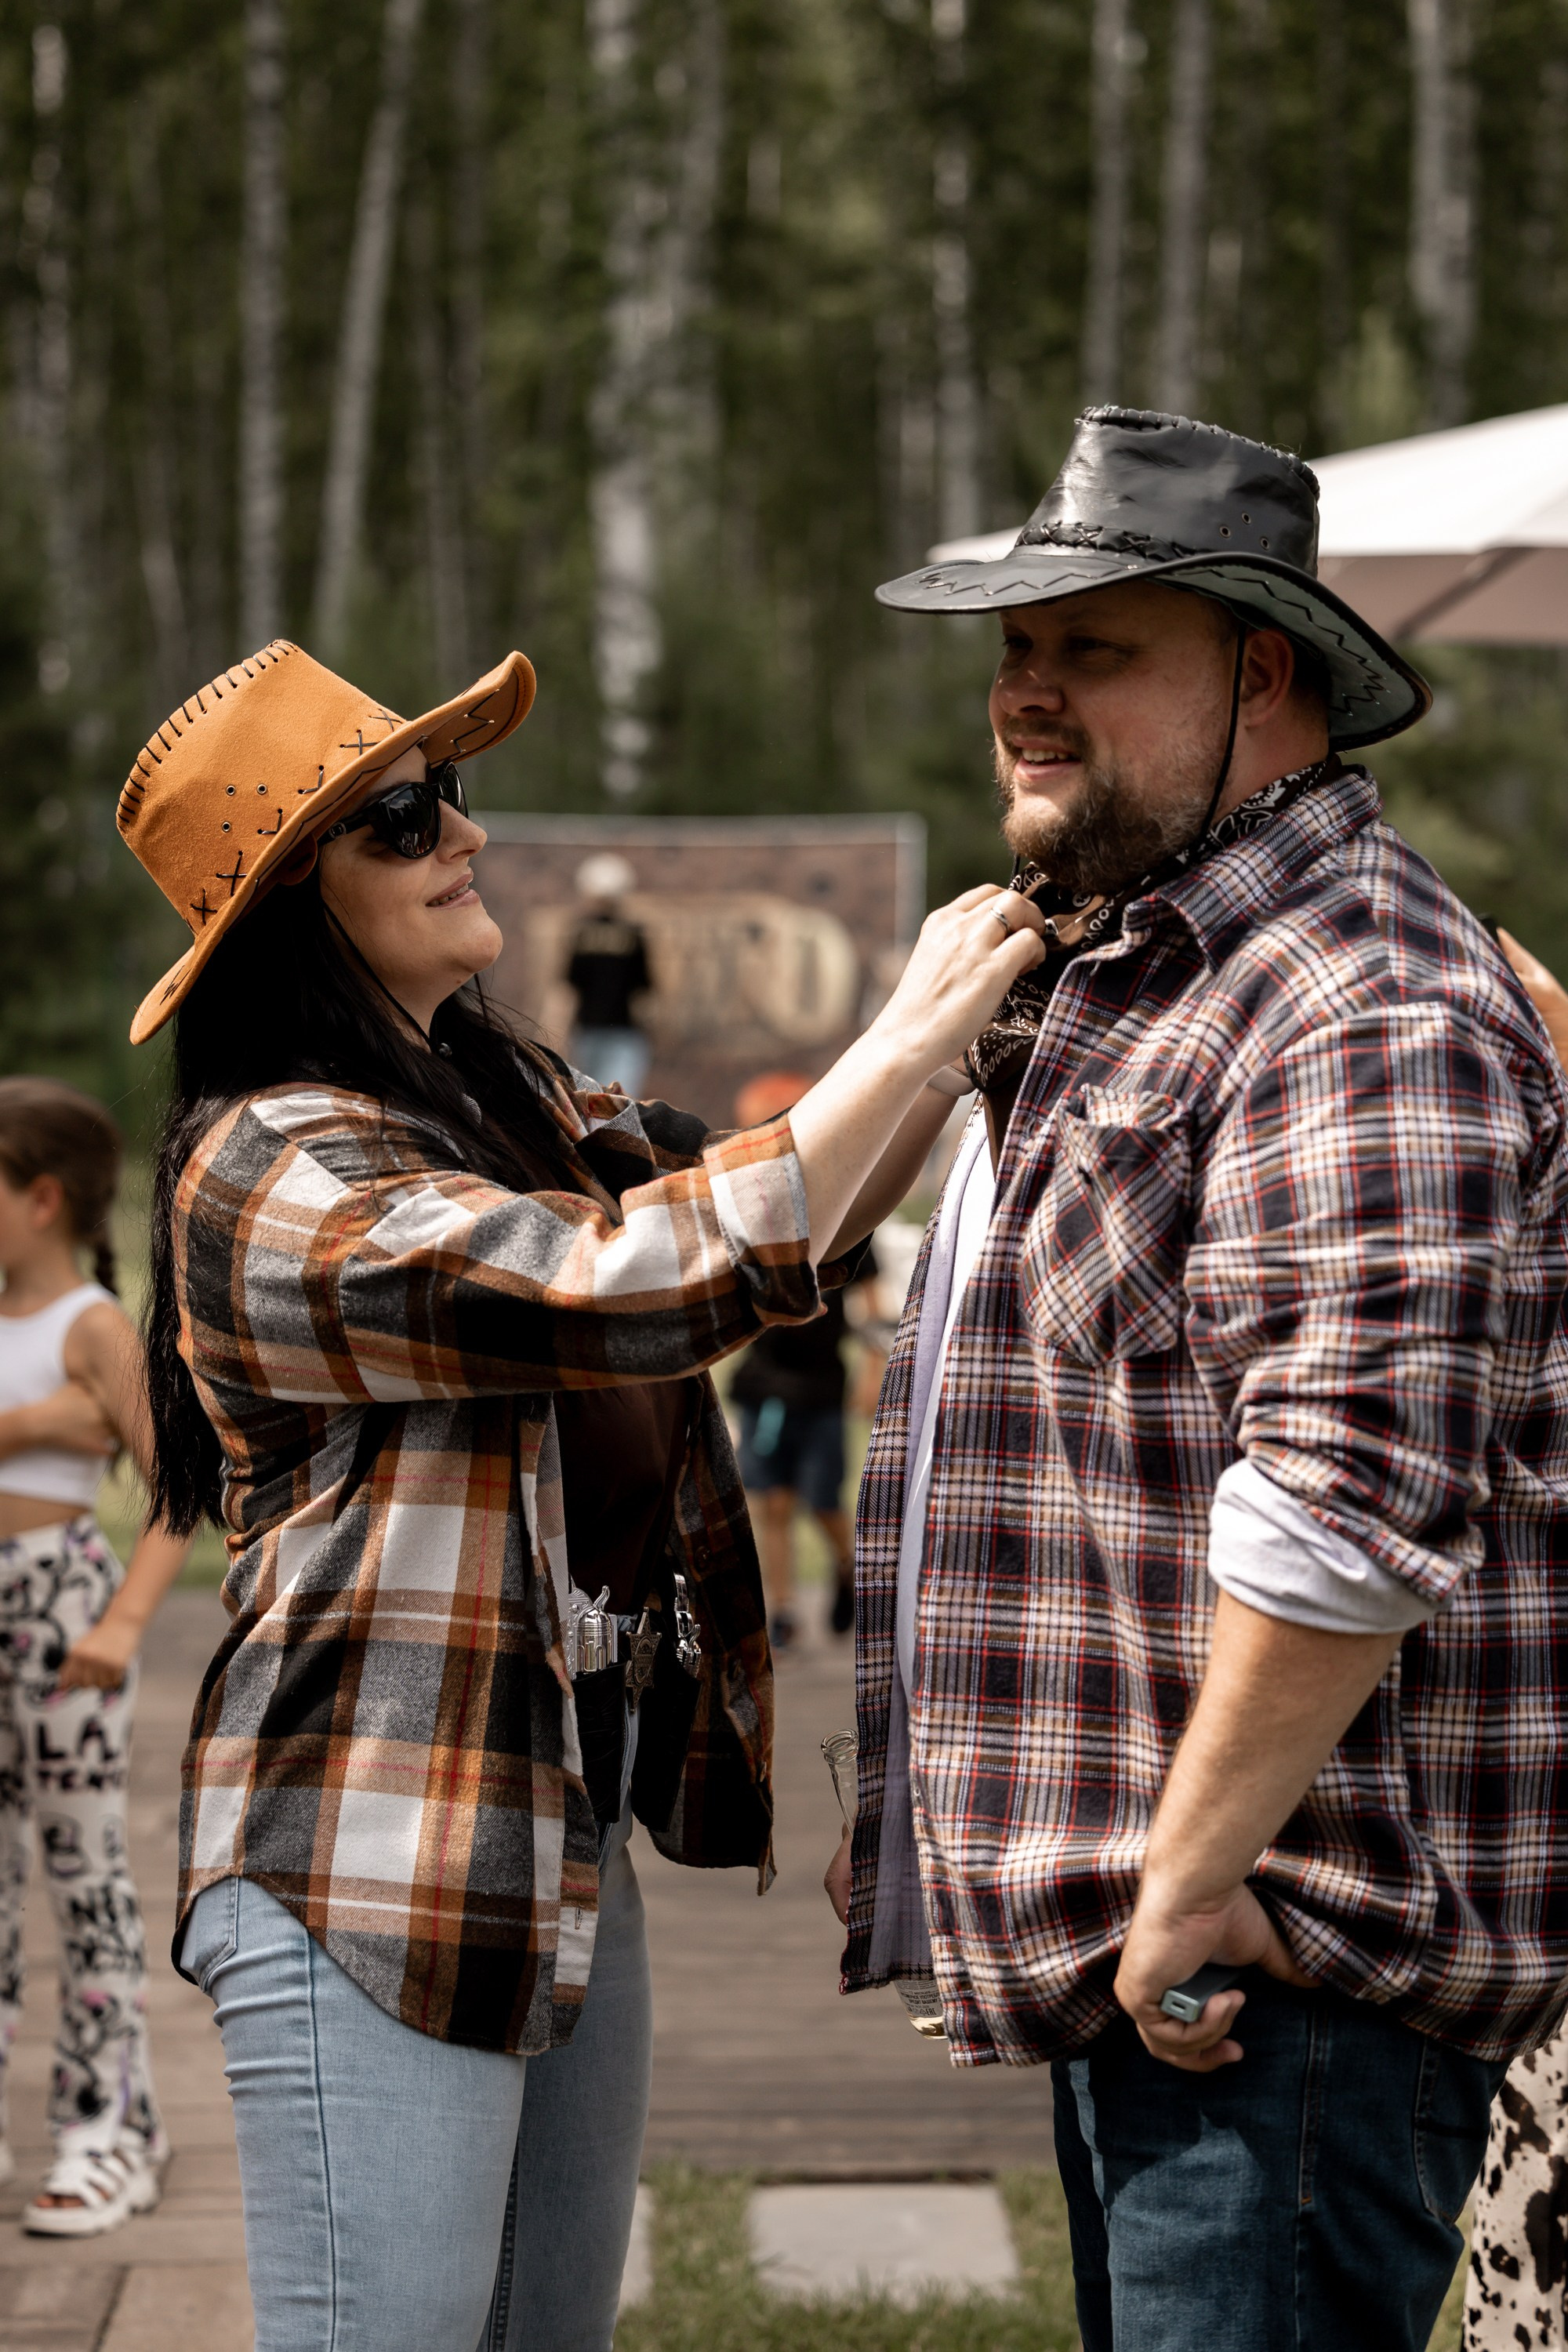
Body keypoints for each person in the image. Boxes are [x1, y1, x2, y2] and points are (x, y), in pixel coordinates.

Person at [114, 637, 1044, 2352]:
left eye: (450, 795)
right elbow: (631, 1279)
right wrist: (916, 1020)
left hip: (551, 1823)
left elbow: (781, 1218)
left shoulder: (507, 1095)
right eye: (401, 819)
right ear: (287, 911)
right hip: (364, 1859)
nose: (462, 835)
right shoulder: (269, 1167)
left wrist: (972, 1035)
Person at [825, 406, 1568, 2352]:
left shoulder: (1355, 994)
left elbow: (1346, 1502)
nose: (1025, 695)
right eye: (1015, 647)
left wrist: (1183, 1877)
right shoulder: (1151, 965)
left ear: (1264, 675)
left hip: (1266, 1980)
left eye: (1094, 647)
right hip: (1182, 1957)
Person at [0, 1078, 190, 2236]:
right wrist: (36, 1424)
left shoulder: (90, 1329)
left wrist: (120, 1625)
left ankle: (105, 2126)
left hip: (59, 1614)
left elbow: (177, 1487)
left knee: (83, 1869)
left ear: (41, 1200)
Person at [728, 1072, 877, 1650]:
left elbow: (869, 1303)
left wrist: (870, 1369)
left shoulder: (842, 1198)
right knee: (772, 1502)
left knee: (822, 1500)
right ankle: (783, 1609)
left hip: (820, 1387)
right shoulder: (747, 1203)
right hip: (766, 1387)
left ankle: (846, 1567)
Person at [563, 851, 652, 1095]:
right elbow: (646, 987)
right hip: (624, 1029)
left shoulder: (580, 933)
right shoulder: (633, 934)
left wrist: (557, 1028)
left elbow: (569, 986)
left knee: (590, 1099)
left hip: (588, 1029)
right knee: (621, 1099)